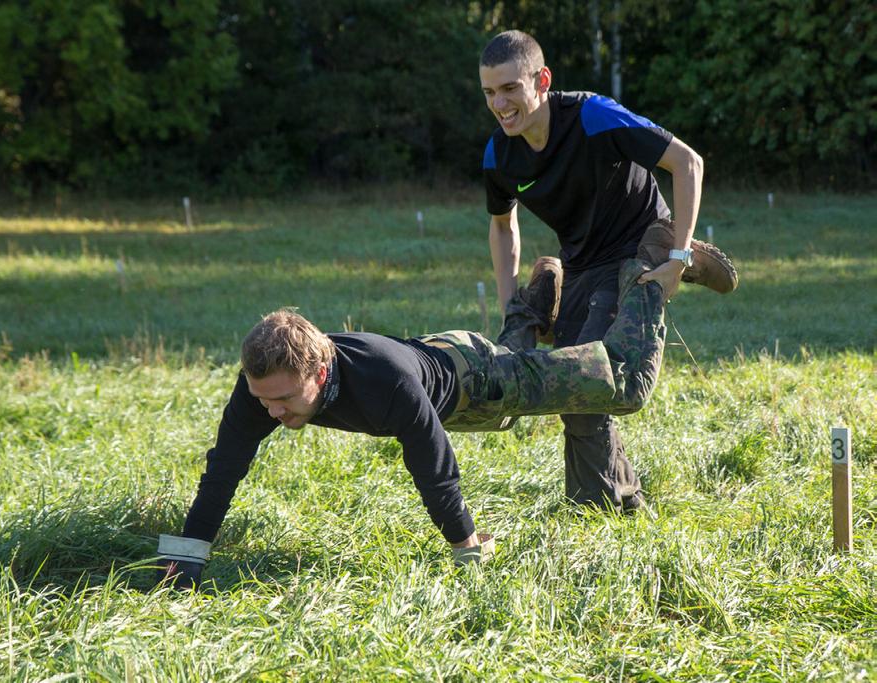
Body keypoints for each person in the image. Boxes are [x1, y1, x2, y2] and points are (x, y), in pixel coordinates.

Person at [156, 252, 724, 590]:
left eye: (283, 401)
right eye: (265, 402)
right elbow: (224, 468)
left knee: (617, 385)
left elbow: (434, 467)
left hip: (472, 377)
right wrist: (185, 561)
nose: (272, 414)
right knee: (522, 359)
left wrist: (466, 544)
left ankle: (653, 270)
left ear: (319, 366)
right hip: (433, 358)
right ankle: (540, 295)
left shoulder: (383, 383)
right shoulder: (261, 387)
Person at [478, 30, 737, 514]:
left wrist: (675, 263)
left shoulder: (593, 116)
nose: (500, 103)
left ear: (542, 80)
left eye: (510, 88)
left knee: (605, 381)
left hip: (637, 243)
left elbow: (688, 162)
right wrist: (511, 304)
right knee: (575, 393)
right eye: (490, 92)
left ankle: (681, 250)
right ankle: (623, 507)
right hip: (582, 263)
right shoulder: (500, 154)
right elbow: (502, 227)